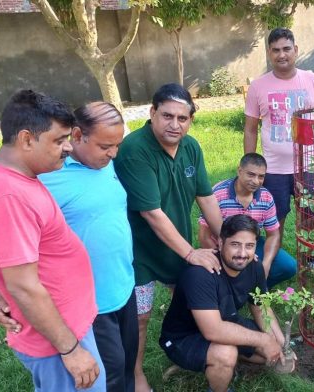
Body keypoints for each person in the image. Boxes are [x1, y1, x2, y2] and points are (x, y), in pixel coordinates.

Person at [0, 90, 104, 391]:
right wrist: (71, 350)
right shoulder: (7, 195)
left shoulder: (0, 170)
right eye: (59, 140)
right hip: (56, 341)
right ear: (26, 139)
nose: (68, 148)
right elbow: (24, 285)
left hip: (63, 326)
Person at [114, 83, 223, 392]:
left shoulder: (191, 147)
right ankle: (135, 375)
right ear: (152, 113)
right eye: (167, 116)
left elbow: (206, 197)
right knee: (141, 317)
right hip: (141, 254)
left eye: (183, 118)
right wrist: (191, 254)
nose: (175, 125)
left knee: (191, 302)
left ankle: (187, 352)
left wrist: (226, 239)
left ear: (190, 120)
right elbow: (152, 213)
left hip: (178, 245)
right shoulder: (135, 150)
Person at [39, 102, 138, 392]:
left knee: (127, 363)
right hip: (89, 301)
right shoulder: (47, 177)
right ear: (78, 135)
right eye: (106, 145)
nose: (114, 153)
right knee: (109, 374)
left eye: (118, 145)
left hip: (123, 284)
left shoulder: (106, 164)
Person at [160, 215, 286, 392]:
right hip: (184, 337)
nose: (242, 254)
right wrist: (264, 340)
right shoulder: (200, 274)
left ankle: (232, 357)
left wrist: (280, 344)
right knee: (226, 354)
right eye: (235, 244)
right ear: (220, 243)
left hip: (227, 321)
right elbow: (213, 330)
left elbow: (261, 309)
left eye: (249, 246)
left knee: (270, 355)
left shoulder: (254, 267)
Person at [243, 27, 314, 236]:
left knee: (313, 219)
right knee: (274, 224)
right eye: (275, 50)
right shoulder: (257, 86)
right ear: (268, 53)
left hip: (310, 166)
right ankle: (274, 264)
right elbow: (250, 129)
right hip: (273, 170)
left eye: (286, 49)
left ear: (296, 50)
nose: (281, 55)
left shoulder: (312, 80)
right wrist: (249, 164)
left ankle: (312, 264)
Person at [198, 153, 296, 288]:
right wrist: (224, 259)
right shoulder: (218, 194)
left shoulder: (266, 197)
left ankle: (255, 287)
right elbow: (204, 236)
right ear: (239, 171)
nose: (256, 181)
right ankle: (233, 285)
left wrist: (265, 265)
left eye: (261, 176)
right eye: (251, 174)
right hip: (221, 247)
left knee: (289, 266)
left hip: (251, 244)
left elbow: (273, 235)